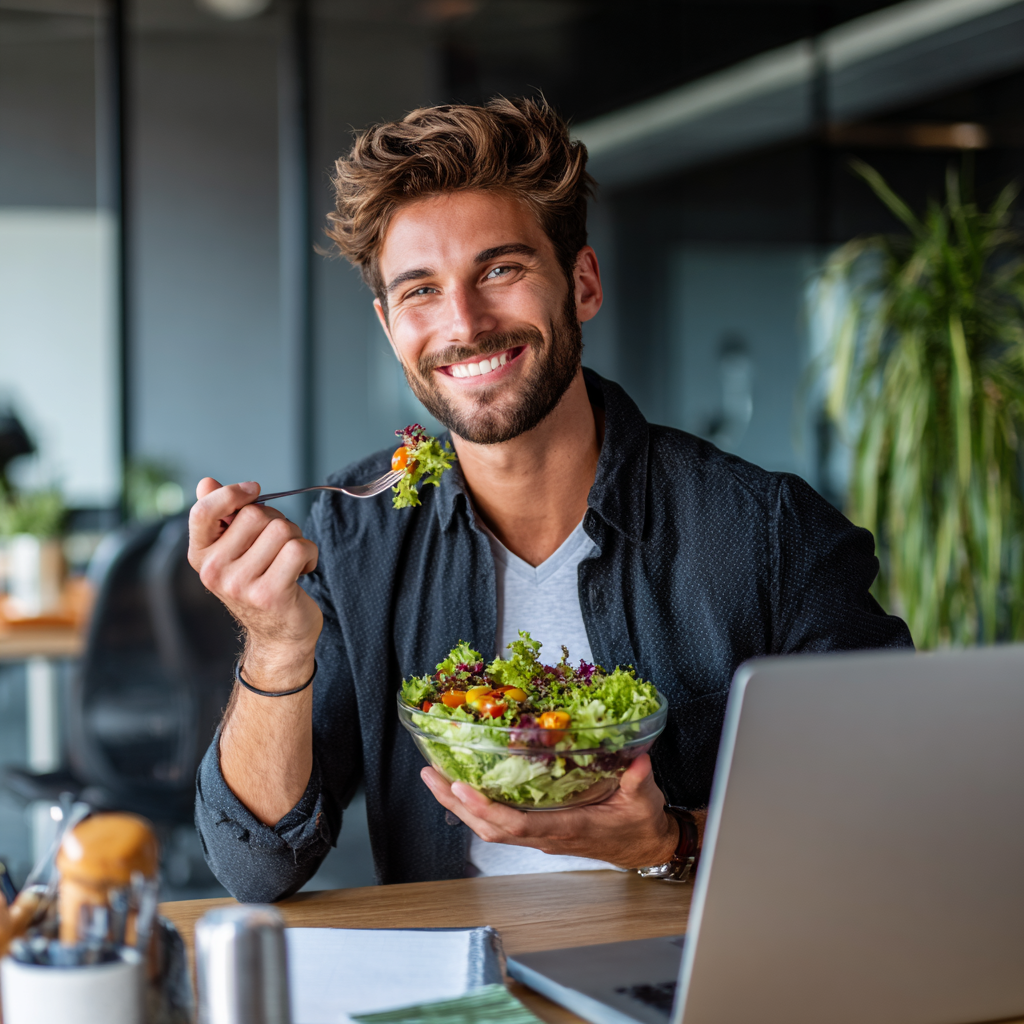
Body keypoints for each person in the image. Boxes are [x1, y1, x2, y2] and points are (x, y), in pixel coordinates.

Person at [189, 97, 913, 902]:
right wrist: (277, 646)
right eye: (421, 291)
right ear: (391, 325)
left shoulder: (766, 532)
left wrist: (674, 841)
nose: (463, 322)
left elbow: (891, 811)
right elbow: (257, 866)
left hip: (695, 978)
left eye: (500, 269)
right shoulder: (358, 532)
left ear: (583, 283)